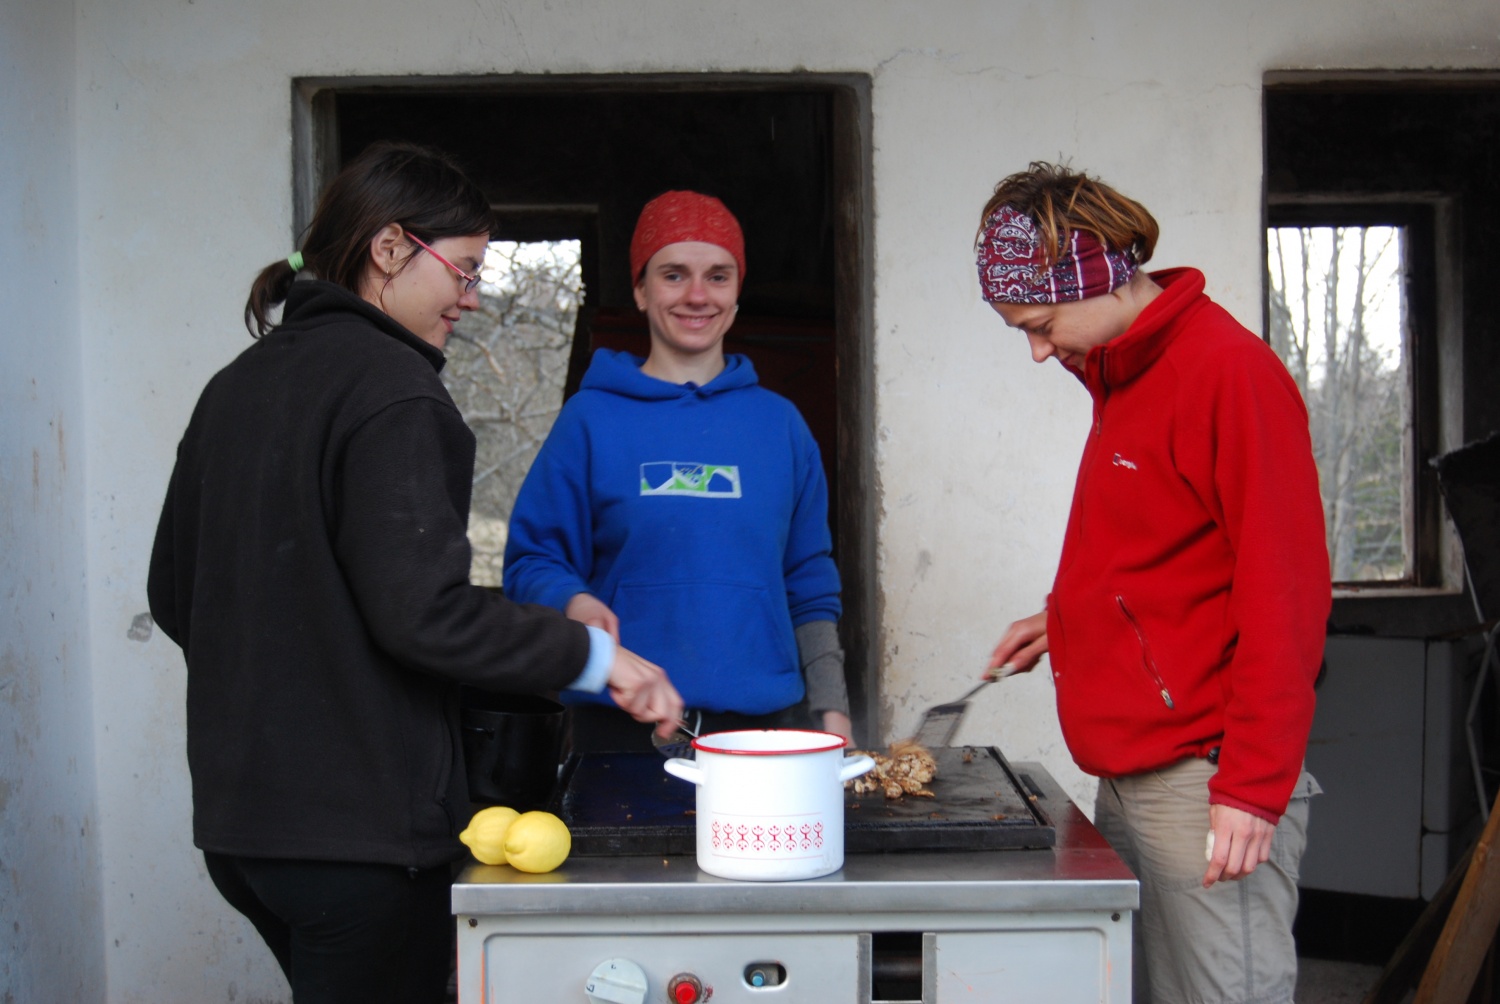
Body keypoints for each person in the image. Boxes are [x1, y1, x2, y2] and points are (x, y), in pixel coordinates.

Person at [147, 141, 682, 1004]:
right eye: (465, 271)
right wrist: (593, 658)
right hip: (360, 845)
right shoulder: (393, 389)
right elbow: (419, 614)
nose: (470, 300)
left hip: (241, 834)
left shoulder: (236, 384)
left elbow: (175, 595)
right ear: (389, 249)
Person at [977, 163, 1330, 1004]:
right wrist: (1064, 620)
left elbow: (1287, 593)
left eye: (1040, 322)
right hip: (1131, 778)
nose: (1035, 349)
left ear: (1094, 277)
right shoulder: (1121, 376)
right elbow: (1166, 556)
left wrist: (1251, 786)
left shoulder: (1227, 373)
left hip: (1205, 780)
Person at [503, 190, 853, 752]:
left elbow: (809, 585)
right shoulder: (591, 419)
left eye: (718, 276)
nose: (697, 295)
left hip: (764, 732)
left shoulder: (780, 426)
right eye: (673, 275)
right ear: (640, 291)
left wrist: (833, 710)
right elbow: (532, 560)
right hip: (619, 731)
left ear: (738, 292)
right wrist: (576, 601)